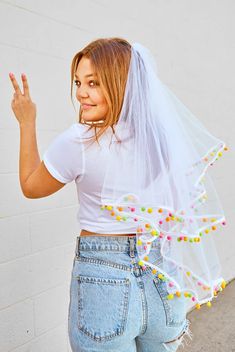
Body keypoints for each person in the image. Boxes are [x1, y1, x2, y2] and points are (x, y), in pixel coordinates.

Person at [9, 37, 228, 352]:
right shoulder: (163, 139)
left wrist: (27, 122)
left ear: (120, 83)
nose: (81, 92)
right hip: (162, 277)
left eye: (94, 82)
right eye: (78, 82)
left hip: (104, 278)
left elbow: (31, 186)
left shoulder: (80, 141)